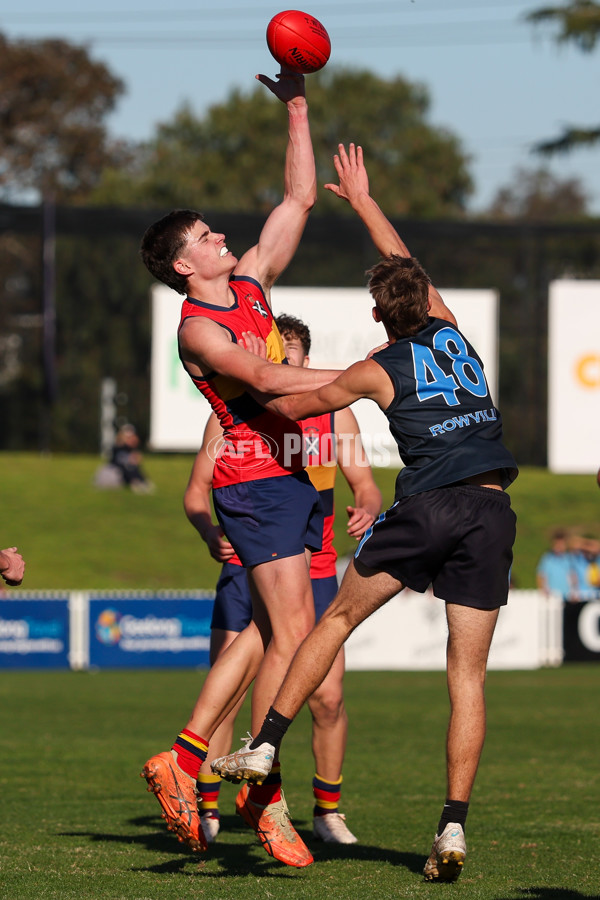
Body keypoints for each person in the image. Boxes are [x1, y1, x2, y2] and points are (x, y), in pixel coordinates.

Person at [211, 143, 519, 884]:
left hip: (431, 507)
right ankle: (451, 829)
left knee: (336, 620)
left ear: (379, 313)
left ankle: (265, 746)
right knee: (467, 677)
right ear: (427, 299)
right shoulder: (450, 327)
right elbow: (403, 258)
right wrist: (365, 201)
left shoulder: (376, 367)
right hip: (493, 509)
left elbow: (290, 400)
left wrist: (232, 373)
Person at [139, 68, 341, 867]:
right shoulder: (197, 327)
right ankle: (263, 793)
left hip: (289, 484)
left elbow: (297, 201)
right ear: (185, 266)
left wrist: (296, 107)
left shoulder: (252, 287)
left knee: (270, 632)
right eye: (203, 237)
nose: (219, 236)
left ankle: (187, 759)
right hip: (253, 485)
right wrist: (352, 381)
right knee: (295, 633)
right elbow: (260, 381)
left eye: (214, 230)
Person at [184, 313, 382, 845]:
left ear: (306, 363)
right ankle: (208, 809)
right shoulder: (231, 416)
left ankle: (325, 811)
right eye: (273, 359)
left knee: (329, 695)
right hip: (246, 565)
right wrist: (209, 532)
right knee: (229, 688)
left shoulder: (335, 416)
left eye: (288, 360)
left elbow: (365, 483)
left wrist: (366, 504)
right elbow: (196, 491)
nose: (279, 369)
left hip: (313, 565)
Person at [536, 529, 578, 602]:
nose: (559, 546)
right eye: (557, 544)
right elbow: (540, 576)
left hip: (567, 596)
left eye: (561, 544)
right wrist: (542, 591)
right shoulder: (547, 558)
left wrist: (575, 592)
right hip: (552, 596)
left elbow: (573, 576)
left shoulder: (569, 559)